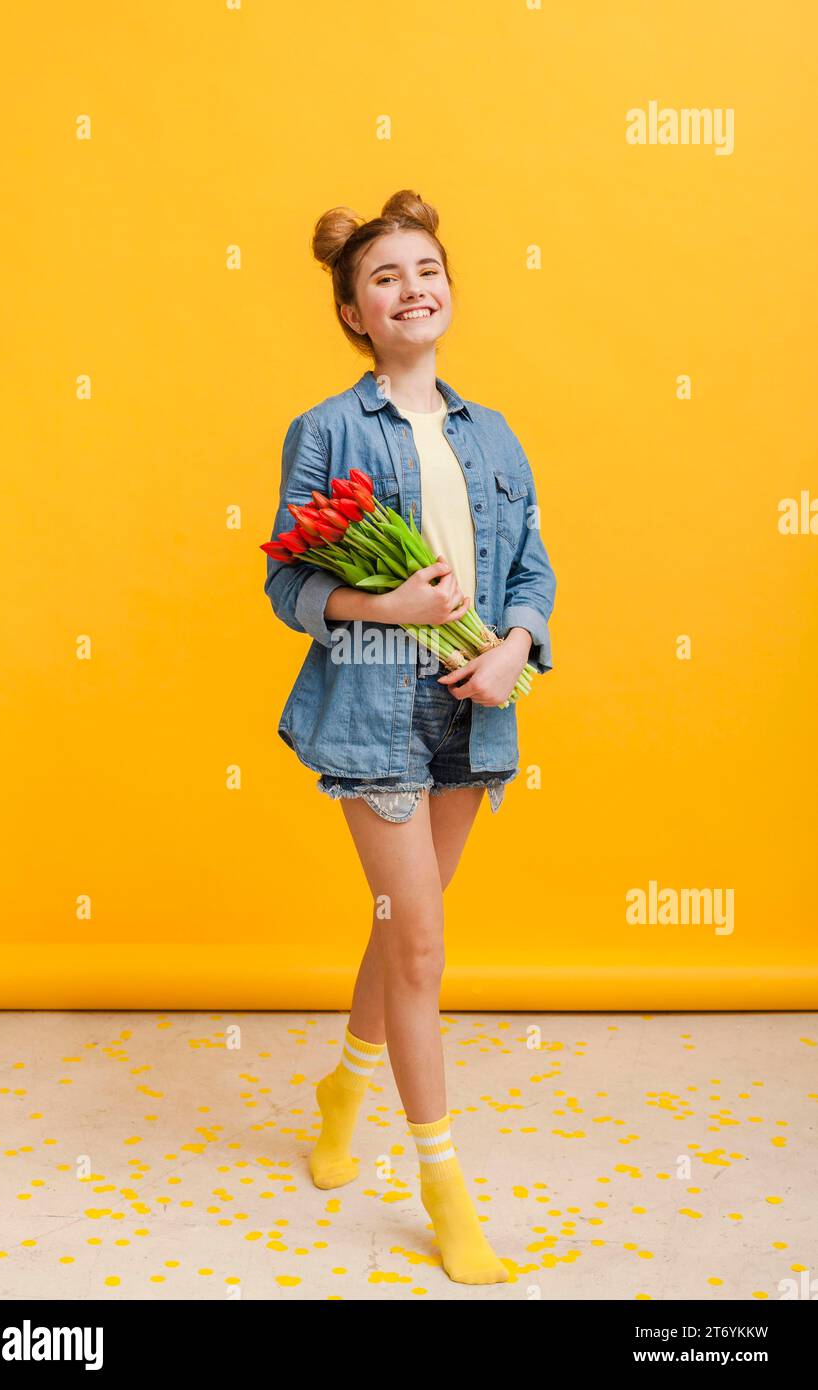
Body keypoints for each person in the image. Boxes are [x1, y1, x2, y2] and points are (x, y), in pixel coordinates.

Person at [263, 189, 557, 1284]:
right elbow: (288, 581)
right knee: (423, 946)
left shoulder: (494, 434)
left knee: (401, 931)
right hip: (374, 705)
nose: (410, 288)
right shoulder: (328, 429)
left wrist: (512, 646)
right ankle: (443, 1187)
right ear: (353, 311)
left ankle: (343, 1087)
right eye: (383, 278)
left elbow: (533, 568)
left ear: (448, 287)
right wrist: (392, 611)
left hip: (472, 710)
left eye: (424, 268)